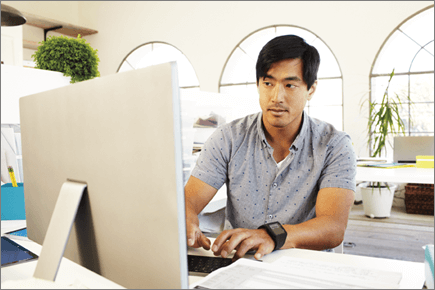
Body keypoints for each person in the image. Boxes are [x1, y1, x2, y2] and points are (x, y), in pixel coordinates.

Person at [185, 35, 356, 261]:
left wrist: (272, 236)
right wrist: (187, 220)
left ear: (311, 89)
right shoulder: (228, 138)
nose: (277, 97)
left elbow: (333, 227)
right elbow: (188, 201)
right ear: (258, 85)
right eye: (268, 83)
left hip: (303, 264)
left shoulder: (334, 145)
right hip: (239, 262)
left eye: (290, 85)